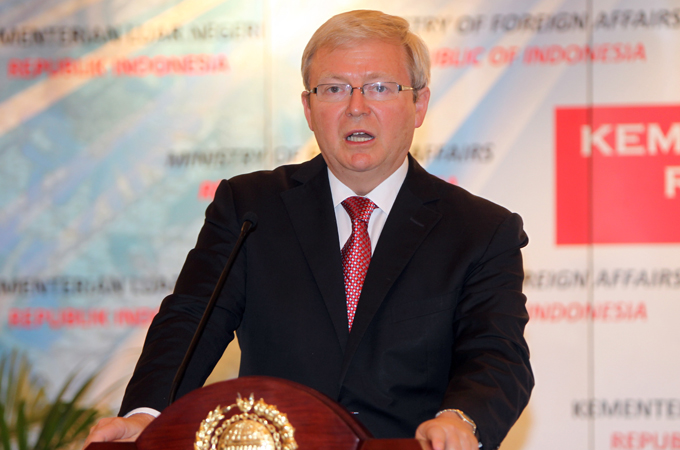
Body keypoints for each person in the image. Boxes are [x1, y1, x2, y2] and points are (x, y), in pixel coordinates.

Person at [84, 10, 533, 450]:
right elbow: (190, 321)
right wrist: (146, 416)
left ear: (419, 104)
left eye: (379, 87)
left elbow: (496, 354)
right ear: (308, 108)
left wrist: (461, 419)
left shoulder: (480, 231)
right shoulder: (250, 209)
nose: (356, 108)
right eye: (334, 89)